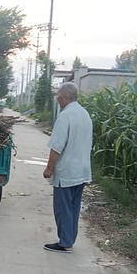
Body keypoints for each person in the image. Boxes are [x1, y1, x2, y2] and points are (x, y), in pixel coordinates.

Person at [42, 82, 93, 253]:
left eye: (58, 96)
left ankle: (65, 242)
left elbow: (57, 146)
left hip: (67, 171)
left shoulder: (65, 116)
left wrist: (49, 168)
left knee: (63, 208)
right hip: (82, 170)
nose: (57, 100)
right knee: (73, 207)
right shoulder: (84, 114)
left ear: (64, 97)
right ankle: (70, 239)